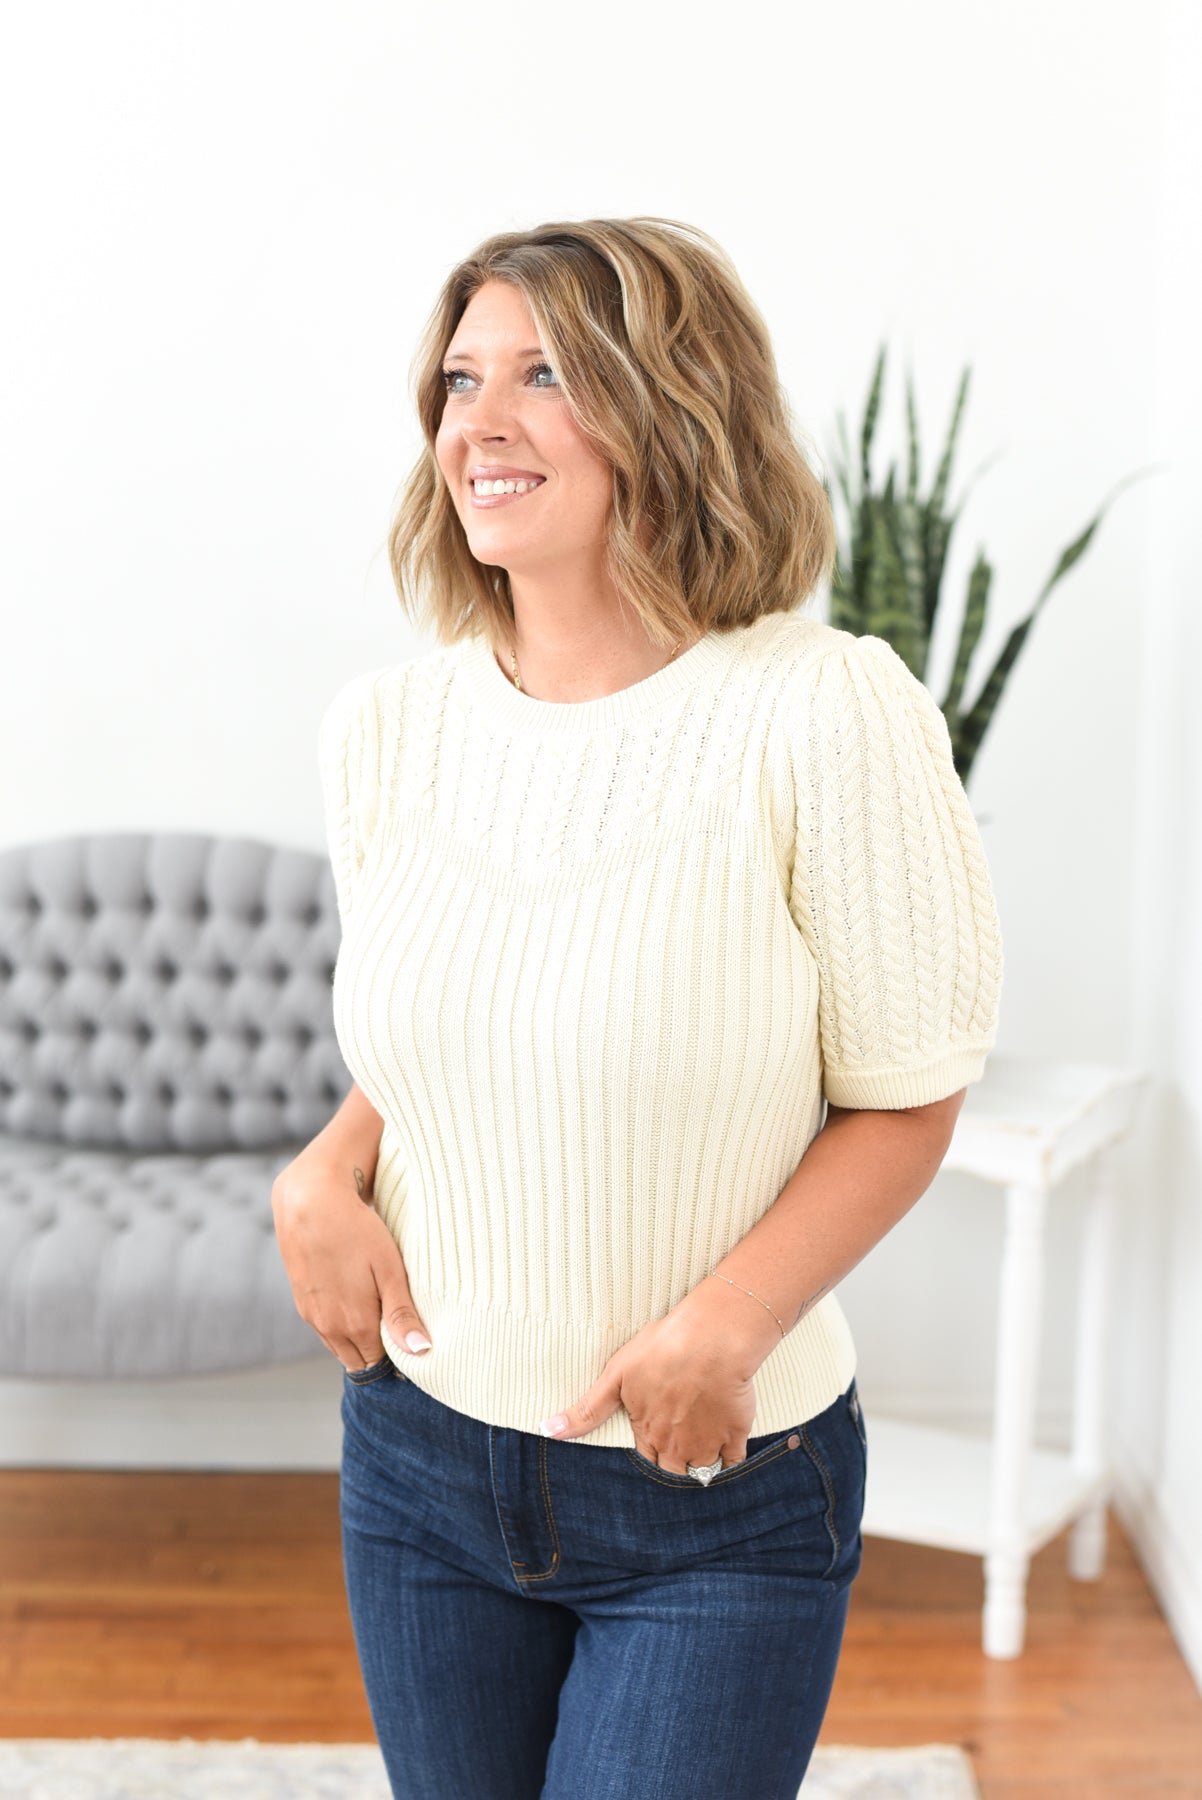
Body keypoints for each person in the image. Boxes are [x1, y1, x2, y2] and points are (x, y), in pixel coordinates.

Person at [272, 215, 1003, 1800]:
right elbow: (468, 1025)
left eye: (545, 374)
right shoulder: (385, 729)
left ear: (673, 409)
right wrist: (321, 1168)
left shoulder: (821, 711)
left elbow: (907, 1088)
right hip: (417, 1462)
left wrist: (726, 1323)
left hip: (708, 1491)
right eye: (460, 379)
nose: (481, 420)